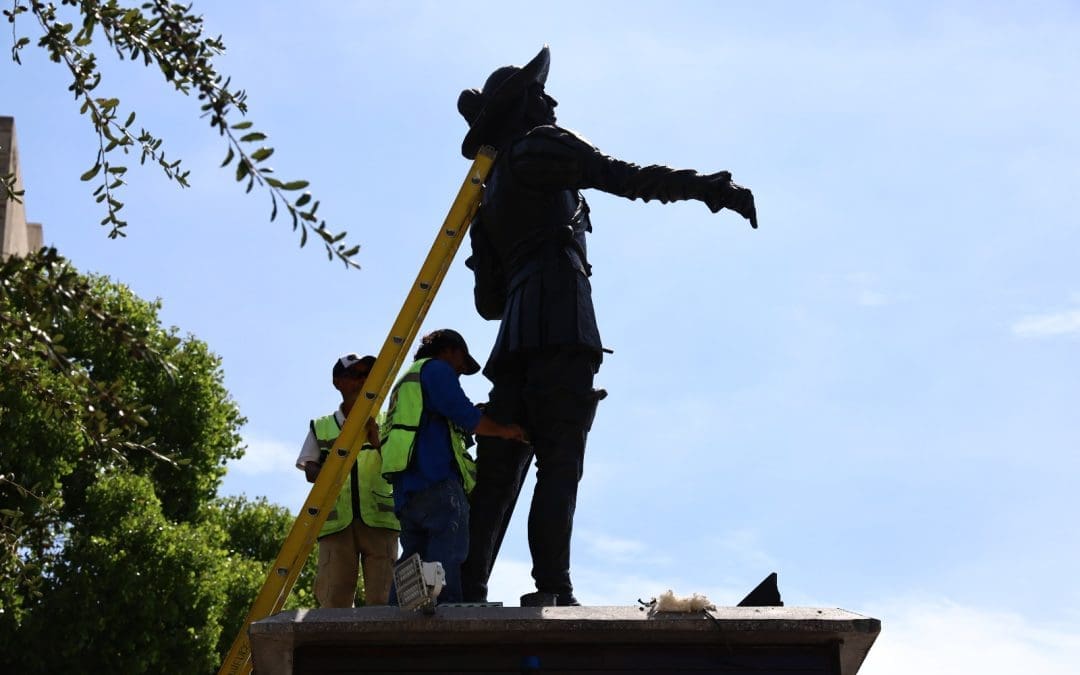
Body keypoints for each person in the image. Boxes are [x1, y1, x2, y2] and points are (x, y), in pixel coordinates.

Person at [456, 46, 758, 607]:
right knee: (559, 464)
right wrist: (711, 188)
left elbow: (488, 303)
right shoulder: (541, 145)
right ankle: (552, 588)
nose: (552, 98)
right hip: (563, 322)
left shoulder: (488, 195)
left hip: (515, 339)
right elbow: (626, 177)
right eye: (540, 91)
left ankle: (466, 587)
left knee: (499, 471)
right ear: (524, 104)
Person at [380, 329, 525, 604]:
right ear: (448, 350)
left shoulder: (408, 381)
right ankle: (447, 618)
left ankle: (396, 621)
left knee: (413, 560)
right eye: (461, 361)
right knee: (448, 550)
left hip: (407, 489)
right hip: (436, 481)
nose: (460, 371)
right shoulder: (436, 369)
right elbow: (463, 412)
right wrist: (506, 431)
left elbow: (437, 421)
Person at [295, 353, 399, 607]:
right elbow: (309, 468)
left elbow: (400, 464)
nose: (363, 381)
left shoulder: (386, 422)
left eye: (367, 375)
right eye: (355, 375)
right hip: (336, 526)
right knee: (334, 600)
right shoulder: (322, 426)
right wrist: (329, 473)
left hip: (380, 521)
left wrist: (378, 444)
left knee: (384, 601)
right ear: (337, 382)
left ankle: (383, 648)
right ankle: (336, 648)